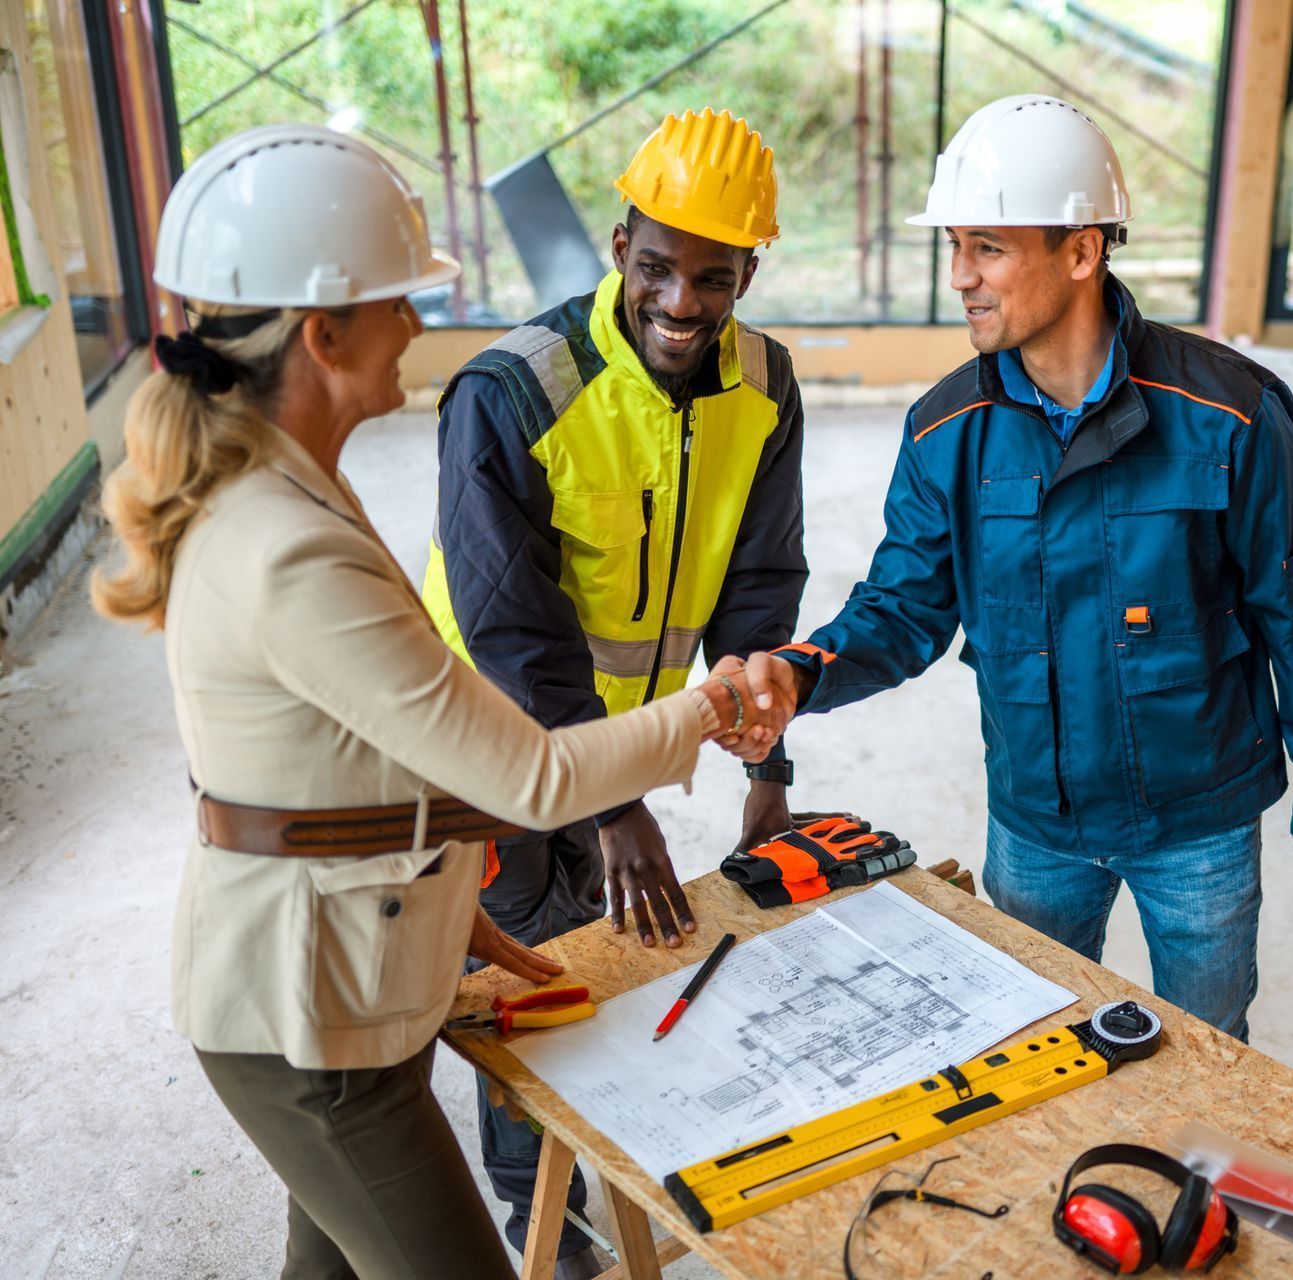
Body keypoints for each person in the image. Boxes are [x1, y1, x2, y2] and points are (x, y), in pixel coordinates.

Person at [90, 124, 788, 1280]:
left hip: (352, 977)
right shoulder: (289, 545)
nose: (417, 324)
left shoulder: (292, 495)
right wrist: (717, 706)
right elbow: (534, 777)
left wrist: (444, 891)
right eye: (398, 302)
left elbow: (331, 760)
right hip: (306, 1031)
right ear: (324, 332)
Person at [750, 95, 1293, 1043]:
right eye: (955, 246)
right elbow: (904, 611)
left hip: (1197, 819)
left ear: (1081, 252)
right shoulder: (946, 432)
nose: (960, 277)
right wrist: (805, 672)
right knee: (1036, 1043)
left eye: (988, 247)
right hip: (1037, 816)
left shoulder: (1229, 415)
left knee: (1208, 1053)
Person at [415, 106, 805, 1268]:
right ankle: (545, 1224)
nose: (682, 303)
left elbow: (760, 588)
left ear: (750, 269)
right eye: (658, 267)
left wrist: (766, 761)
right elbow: (512, 632)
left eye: (715, 277)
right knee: (530, 978)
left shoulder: (766, 386)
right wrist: (615, 804)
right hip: (487, 746)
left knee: (601, 967)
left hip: (618, 746)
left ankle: (586, 1195)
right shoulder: (513, 392)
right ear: (620, 239)